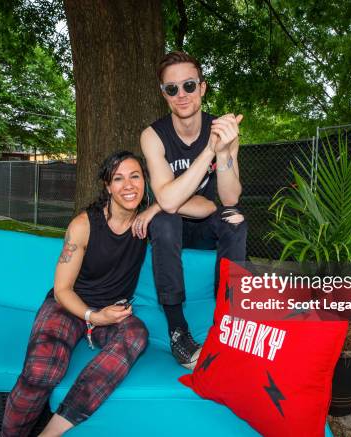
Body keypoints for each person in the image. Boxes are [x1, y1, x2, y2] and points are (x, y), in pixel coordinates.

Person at [0, 151, 152, 437]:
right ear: (107, 186)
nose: (128, 185)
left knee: (137, 335)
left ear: (145, 181)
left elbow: (200, 207)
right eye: (118, 178)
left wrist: (157, 209)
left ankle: (51, 432)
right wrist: (93, 316)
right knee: (42, 370)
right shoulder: (83, 225)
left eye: (135, 176)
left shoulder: (148, 222)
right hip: (69, 306)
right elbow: (62, 290)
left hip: (113, 310)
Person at [139, 51, 247, 370]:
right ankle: (177, 330)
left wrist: (225, 151)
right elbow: (169, 202)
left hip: (208, 224)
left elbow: (227, 198)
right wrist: (209, 152)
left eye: (188, 85)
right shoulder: (153, 136)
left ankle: (228, 320)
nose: (181, 95)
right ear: (164, 94)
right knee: (164, 218)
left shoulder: (222, 130)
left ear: (202, 87)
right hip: (171, 231)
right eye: (171, 89)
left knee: (235, 218)